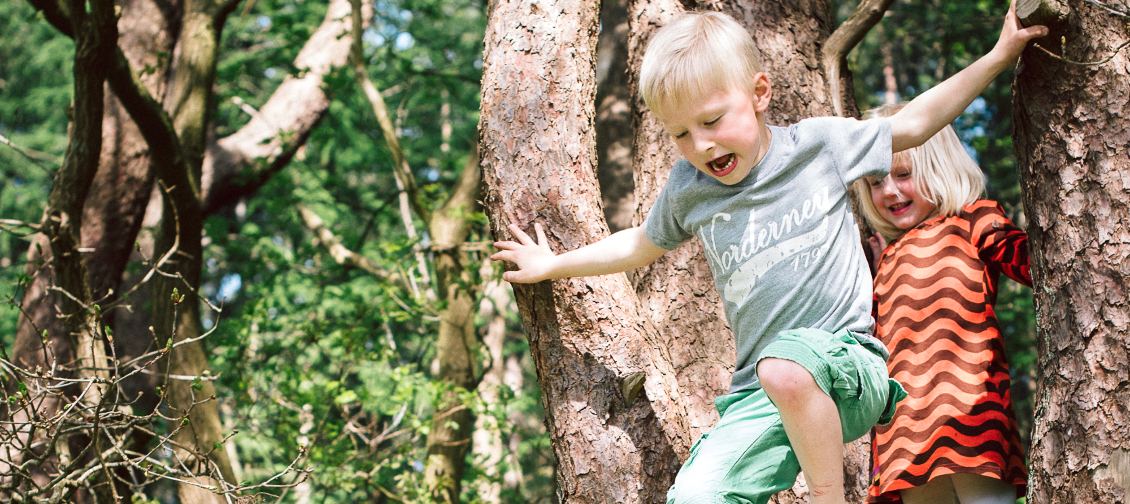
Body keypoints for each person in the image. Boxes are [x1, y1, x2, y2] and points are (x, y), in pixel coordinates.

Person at [491, 7, 1046, 504]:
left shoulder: (817, 146)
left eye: (711, 121)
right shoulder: (691, 189)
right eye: (680, 133)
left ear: (759, 94)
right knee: (695, 495)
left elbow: (916, 122)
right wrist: (555, 265)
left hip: (850, 366)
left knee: (786, 362)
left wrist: (1000, 54)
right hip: (762, 396)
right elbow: (639, 243)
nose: (701, 145)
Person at [853, 104, 1032, 504]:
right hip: (905, 440)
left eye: (903, 174)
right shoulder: (886, 259)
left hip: (972, 421)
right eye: (875, 182)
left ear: (941, 166)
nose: (890, 192)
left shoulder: (973, 219)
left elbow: (1036, 264)